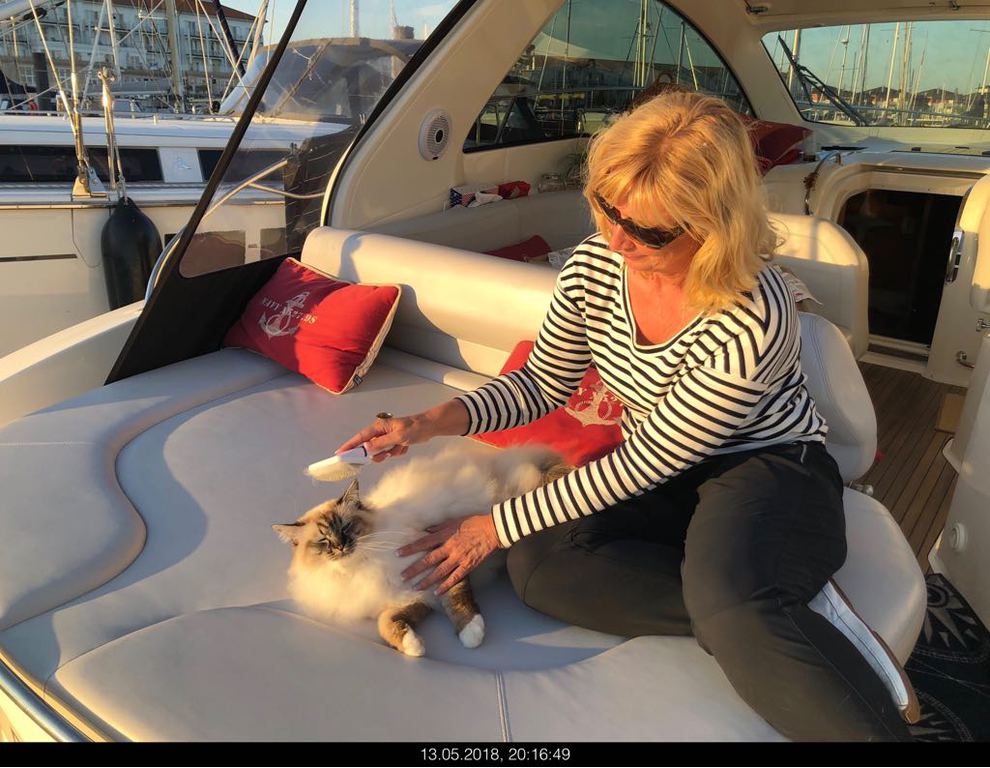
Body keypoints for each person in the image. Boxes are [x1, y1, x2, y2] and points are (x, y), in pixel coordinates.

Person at [337, 90, 914, 741]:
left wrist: (488, 527)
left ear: (714, 224)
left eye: (648, 232)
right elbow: (542, 384)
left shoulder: (754, 312)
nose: (617, 239)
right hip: (663, 470)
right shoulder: (595, 266)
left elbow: (649, 460)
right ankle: (764, 604)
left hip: (766, 466)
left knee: (725, 600)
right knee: (541, 567)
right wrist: (426, 423)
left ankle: (752, 610)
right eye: (610, 210)